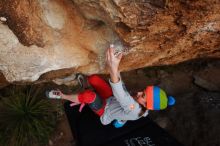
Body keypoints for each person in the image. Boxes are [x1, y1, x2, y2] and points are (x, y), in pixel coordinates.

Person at [46, 46, 175, 128]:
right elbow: (122, 89)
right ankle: (86, 85)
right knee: (93, 79)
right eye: (144, 91)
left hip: (105, 111)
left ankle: (61, 95)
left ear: (147, 105)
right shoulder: (143, 108)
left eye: (143, 95)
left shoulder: (135, 108)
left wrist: (113, 67)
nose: (140, 92)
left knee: (89, 96)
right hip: (112, 99)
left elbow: (121, 94)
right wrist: (117, 69)